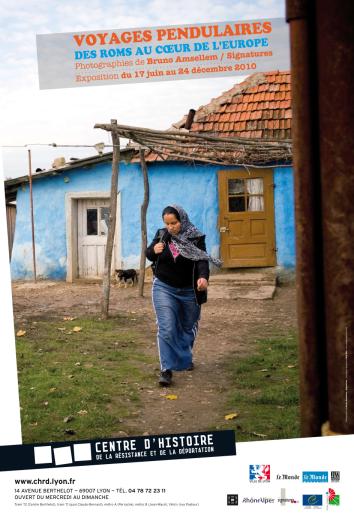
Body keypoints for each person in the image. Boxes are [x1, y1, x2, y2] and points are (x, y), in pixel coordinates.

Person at [145, 204, 222, 386]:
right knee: (167, 327)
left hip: (189, 290)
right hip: (164, 287)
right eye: (167, 223)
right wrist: (153, 251)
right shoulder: (161, 234)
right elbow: (149, 254)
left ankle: (184, 357)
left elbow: (202, 259)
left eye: (174, 223)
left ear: (182, 220)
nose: (171, 227)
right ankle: (166, 369)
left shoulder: (196, 237)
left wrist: (203, 278)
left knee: (187, 327)